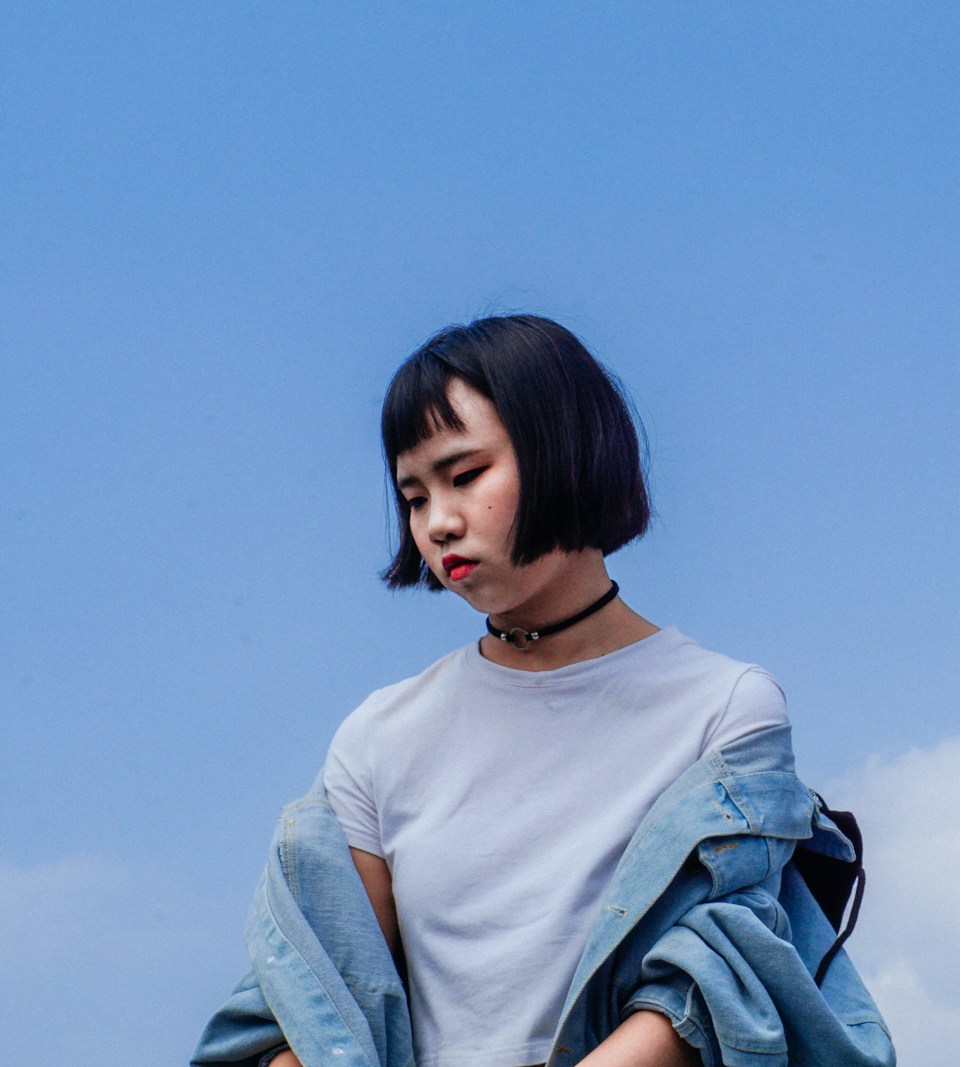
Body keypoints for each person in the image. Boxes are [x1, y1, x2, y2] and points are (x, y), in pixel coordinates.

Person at [192, 315, 893, 1067]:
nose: (439, 522)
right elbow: (319, 993)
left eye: (464, 476)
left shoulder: (725, 708)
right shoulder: (380, 736)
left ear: (565, 446)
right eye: (414, 496)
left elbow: (718, 978)